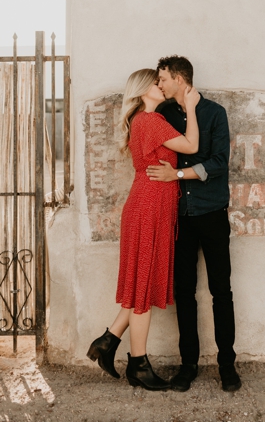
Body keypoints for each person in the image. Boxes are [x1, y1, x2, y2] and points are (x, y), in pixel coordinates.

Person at [86, 68, 200, 390]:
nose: (161, 86)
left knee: (140, 286)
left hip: (148, 207)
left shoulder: (142, 120)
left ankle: (106, 344)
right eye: (156, 82)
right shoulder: (150, 121)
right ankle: (138, 365)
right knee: (143, 293)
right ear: (142, 91)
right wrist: (191, 106)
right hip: (149, 209)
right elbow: (191, 146)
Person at [144, 56, 239, 392]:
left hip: (212, 213)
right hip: (179, 217)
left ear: (181, 79)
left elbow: (218, 162)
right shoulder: (164, 115)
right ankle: (188, 366)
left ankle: (227, 364)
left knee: (221, 291)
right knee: (183, 293)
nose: (161, 84)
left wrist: (179, 174)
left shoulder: (215, 113)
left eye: (164, 79)